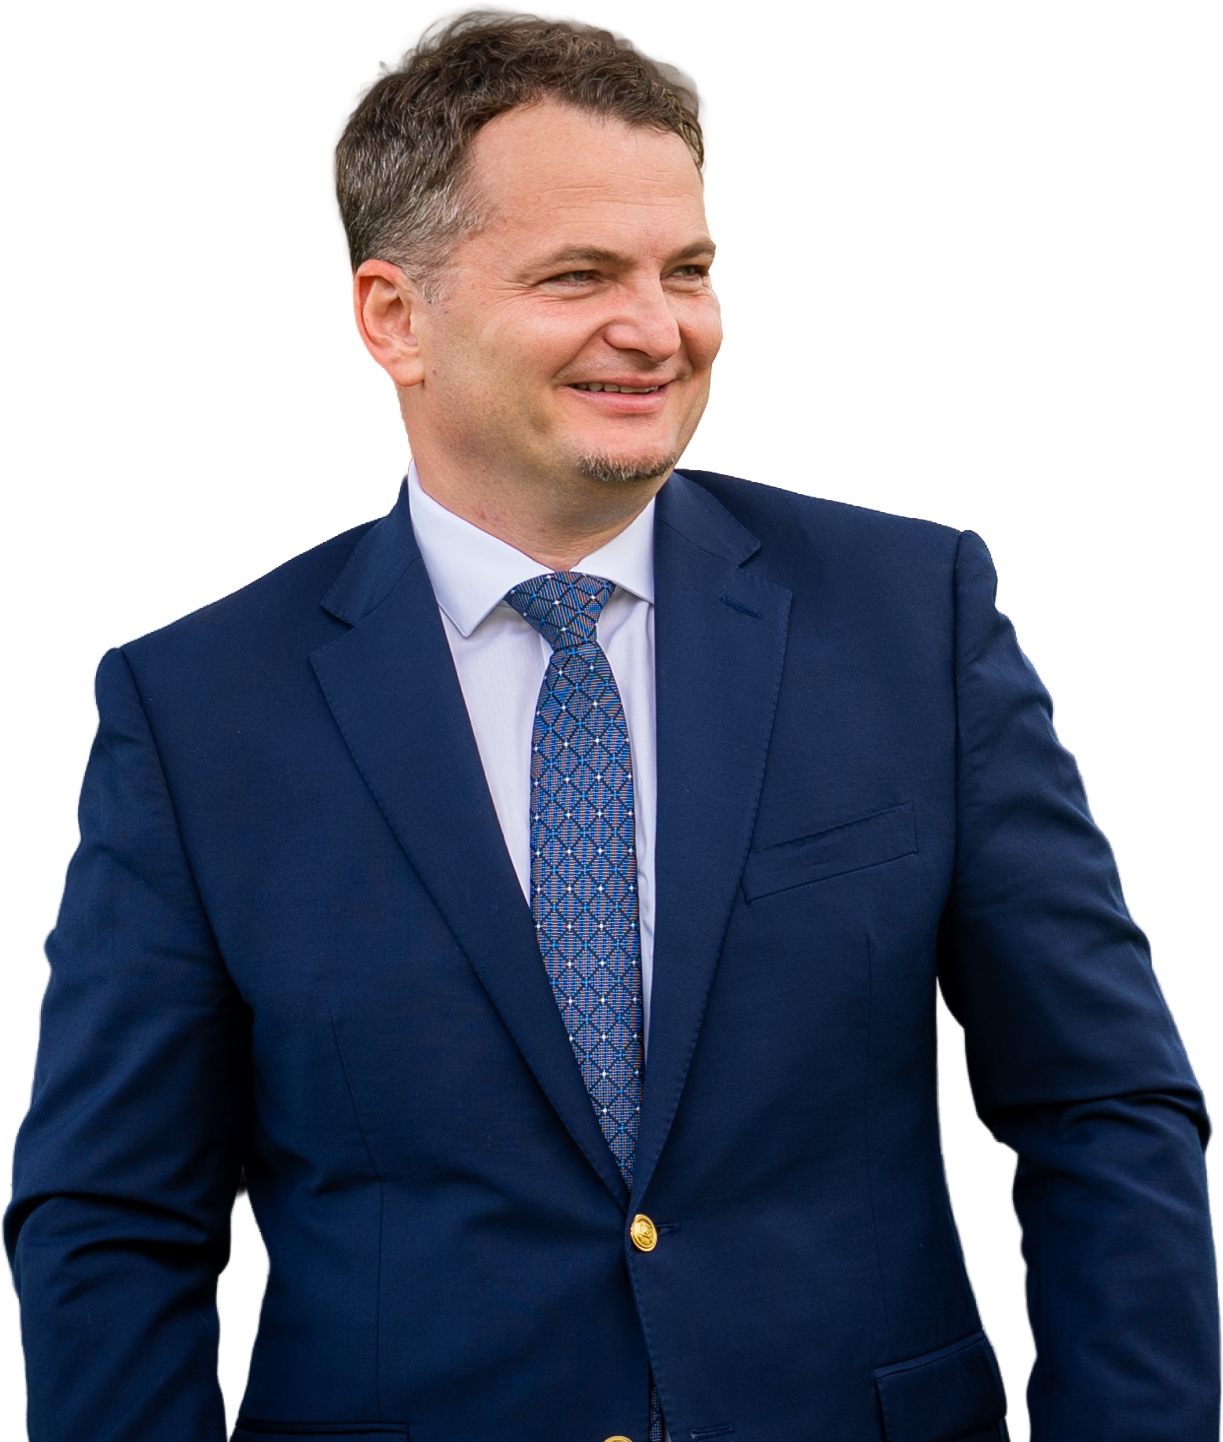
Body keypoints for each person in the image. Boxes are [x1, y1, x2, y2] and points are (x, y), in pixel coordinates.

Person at [6, 23, 1219, 1442]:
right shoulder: (196, 704)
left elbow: (1102, 1111)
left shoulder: (912, 619)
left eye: (689, 271)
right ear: (390, 316)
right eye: (576, 275)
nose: (661, 327)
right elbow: (109, 1222)